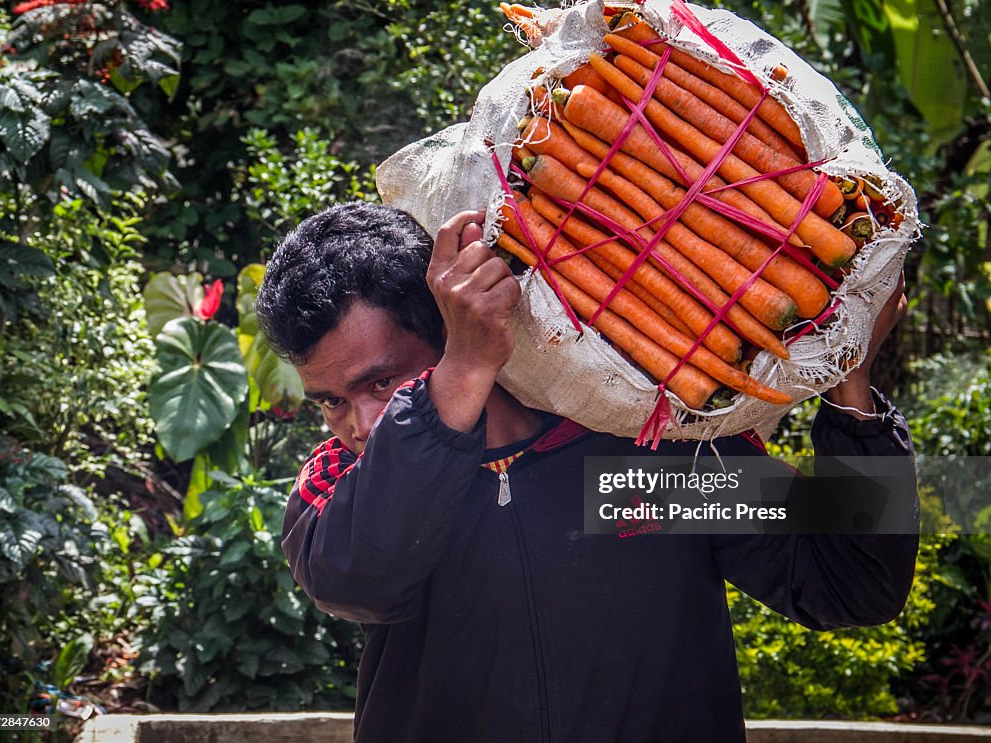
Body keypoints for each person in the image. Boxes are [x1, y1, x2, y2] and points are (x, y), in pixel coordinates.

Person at [256, 201, 919, 743]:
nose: (362, 423)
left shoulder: (640, 455)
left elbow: (852, 581)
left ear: (457, 318)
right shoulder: (346, 485)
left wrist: (849, 391)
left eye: (382, 381)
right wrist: (451, 381)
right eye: (333, 401)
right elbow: (360, 577)